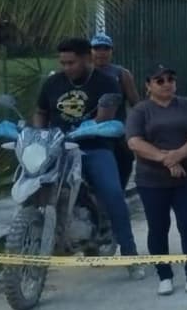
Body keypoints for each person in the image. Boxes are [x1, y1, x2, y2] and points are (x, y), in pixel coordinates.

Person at [34, 37, 141, 278]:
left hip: (94, 147)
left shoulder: (107, 82)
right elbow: (40, 112)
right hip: (56, 148)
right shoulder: (52, 83)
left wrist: (82, 130)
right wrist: (38, 133)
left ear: (85, 59)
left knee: (113, 194)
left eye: (71, 62)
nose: (66, 67)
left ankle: (131, 254)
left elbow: (105, 116)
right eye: (63, 62)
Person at [126, 65, 187, 295]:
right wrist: (166, 159)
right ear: (148, 85)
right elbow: (135, 142)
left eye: (170, 79)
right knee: (158, 228)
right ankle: (164, 275)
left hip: (186, 178)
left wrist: (179, 155)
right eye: (160, 80)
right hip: (152, 180)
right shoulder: (141, 110)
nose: (166, 84)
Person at [90, 33, 140, 189]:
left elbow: (135, 104)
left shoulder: (121, 74)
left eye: (106, 48)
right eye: (97, 48)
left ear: (111, 51)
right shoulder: (83, 74)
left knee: (123, 164)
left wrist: (135, 130)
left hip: (115, 132)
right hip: (87, 131)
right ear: (90, 51)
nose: (101, 52)